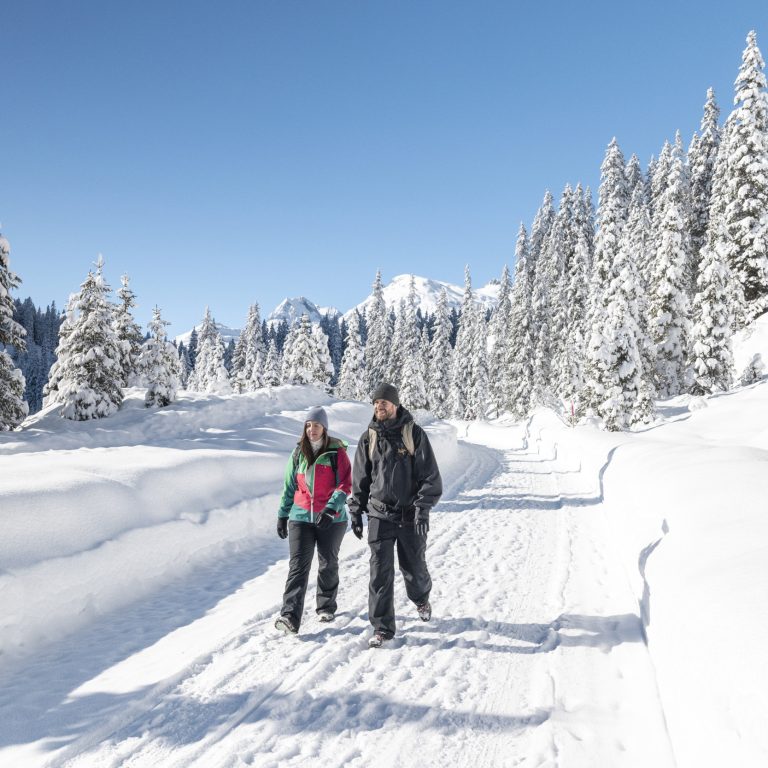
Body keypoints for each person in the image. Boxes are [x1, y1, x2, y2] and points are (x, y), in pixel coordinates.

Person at [348, 383, 443, 648]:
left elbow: (430, 477)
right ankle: (382, 628)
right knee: (379, 573)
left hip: (410, 516)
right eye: (376, 403)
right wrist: (356, 510)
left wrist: (423, 509)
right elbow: (360, 479)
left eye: (385, 403)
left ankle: (421, 598)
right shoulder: (369, 438)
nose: (380, 407)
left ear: (396, 405)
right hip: (380, 515)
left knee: (414, 569)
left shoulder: (413, 434)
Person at [275, 406, 352, 634]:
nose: (312, 430)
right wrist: (282, 514)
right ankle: (289, 616)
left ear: (324, 428)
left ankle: (326, 605)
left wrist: (330, 508)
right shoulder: (299, 452)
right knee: (298, 567)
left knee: (328, 562)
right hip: (300, 517)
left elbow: (345, 484)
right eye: (308, 425)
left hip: (331, 518)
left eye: (316, 425)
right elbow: (289, 486)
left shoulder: (337, 453)